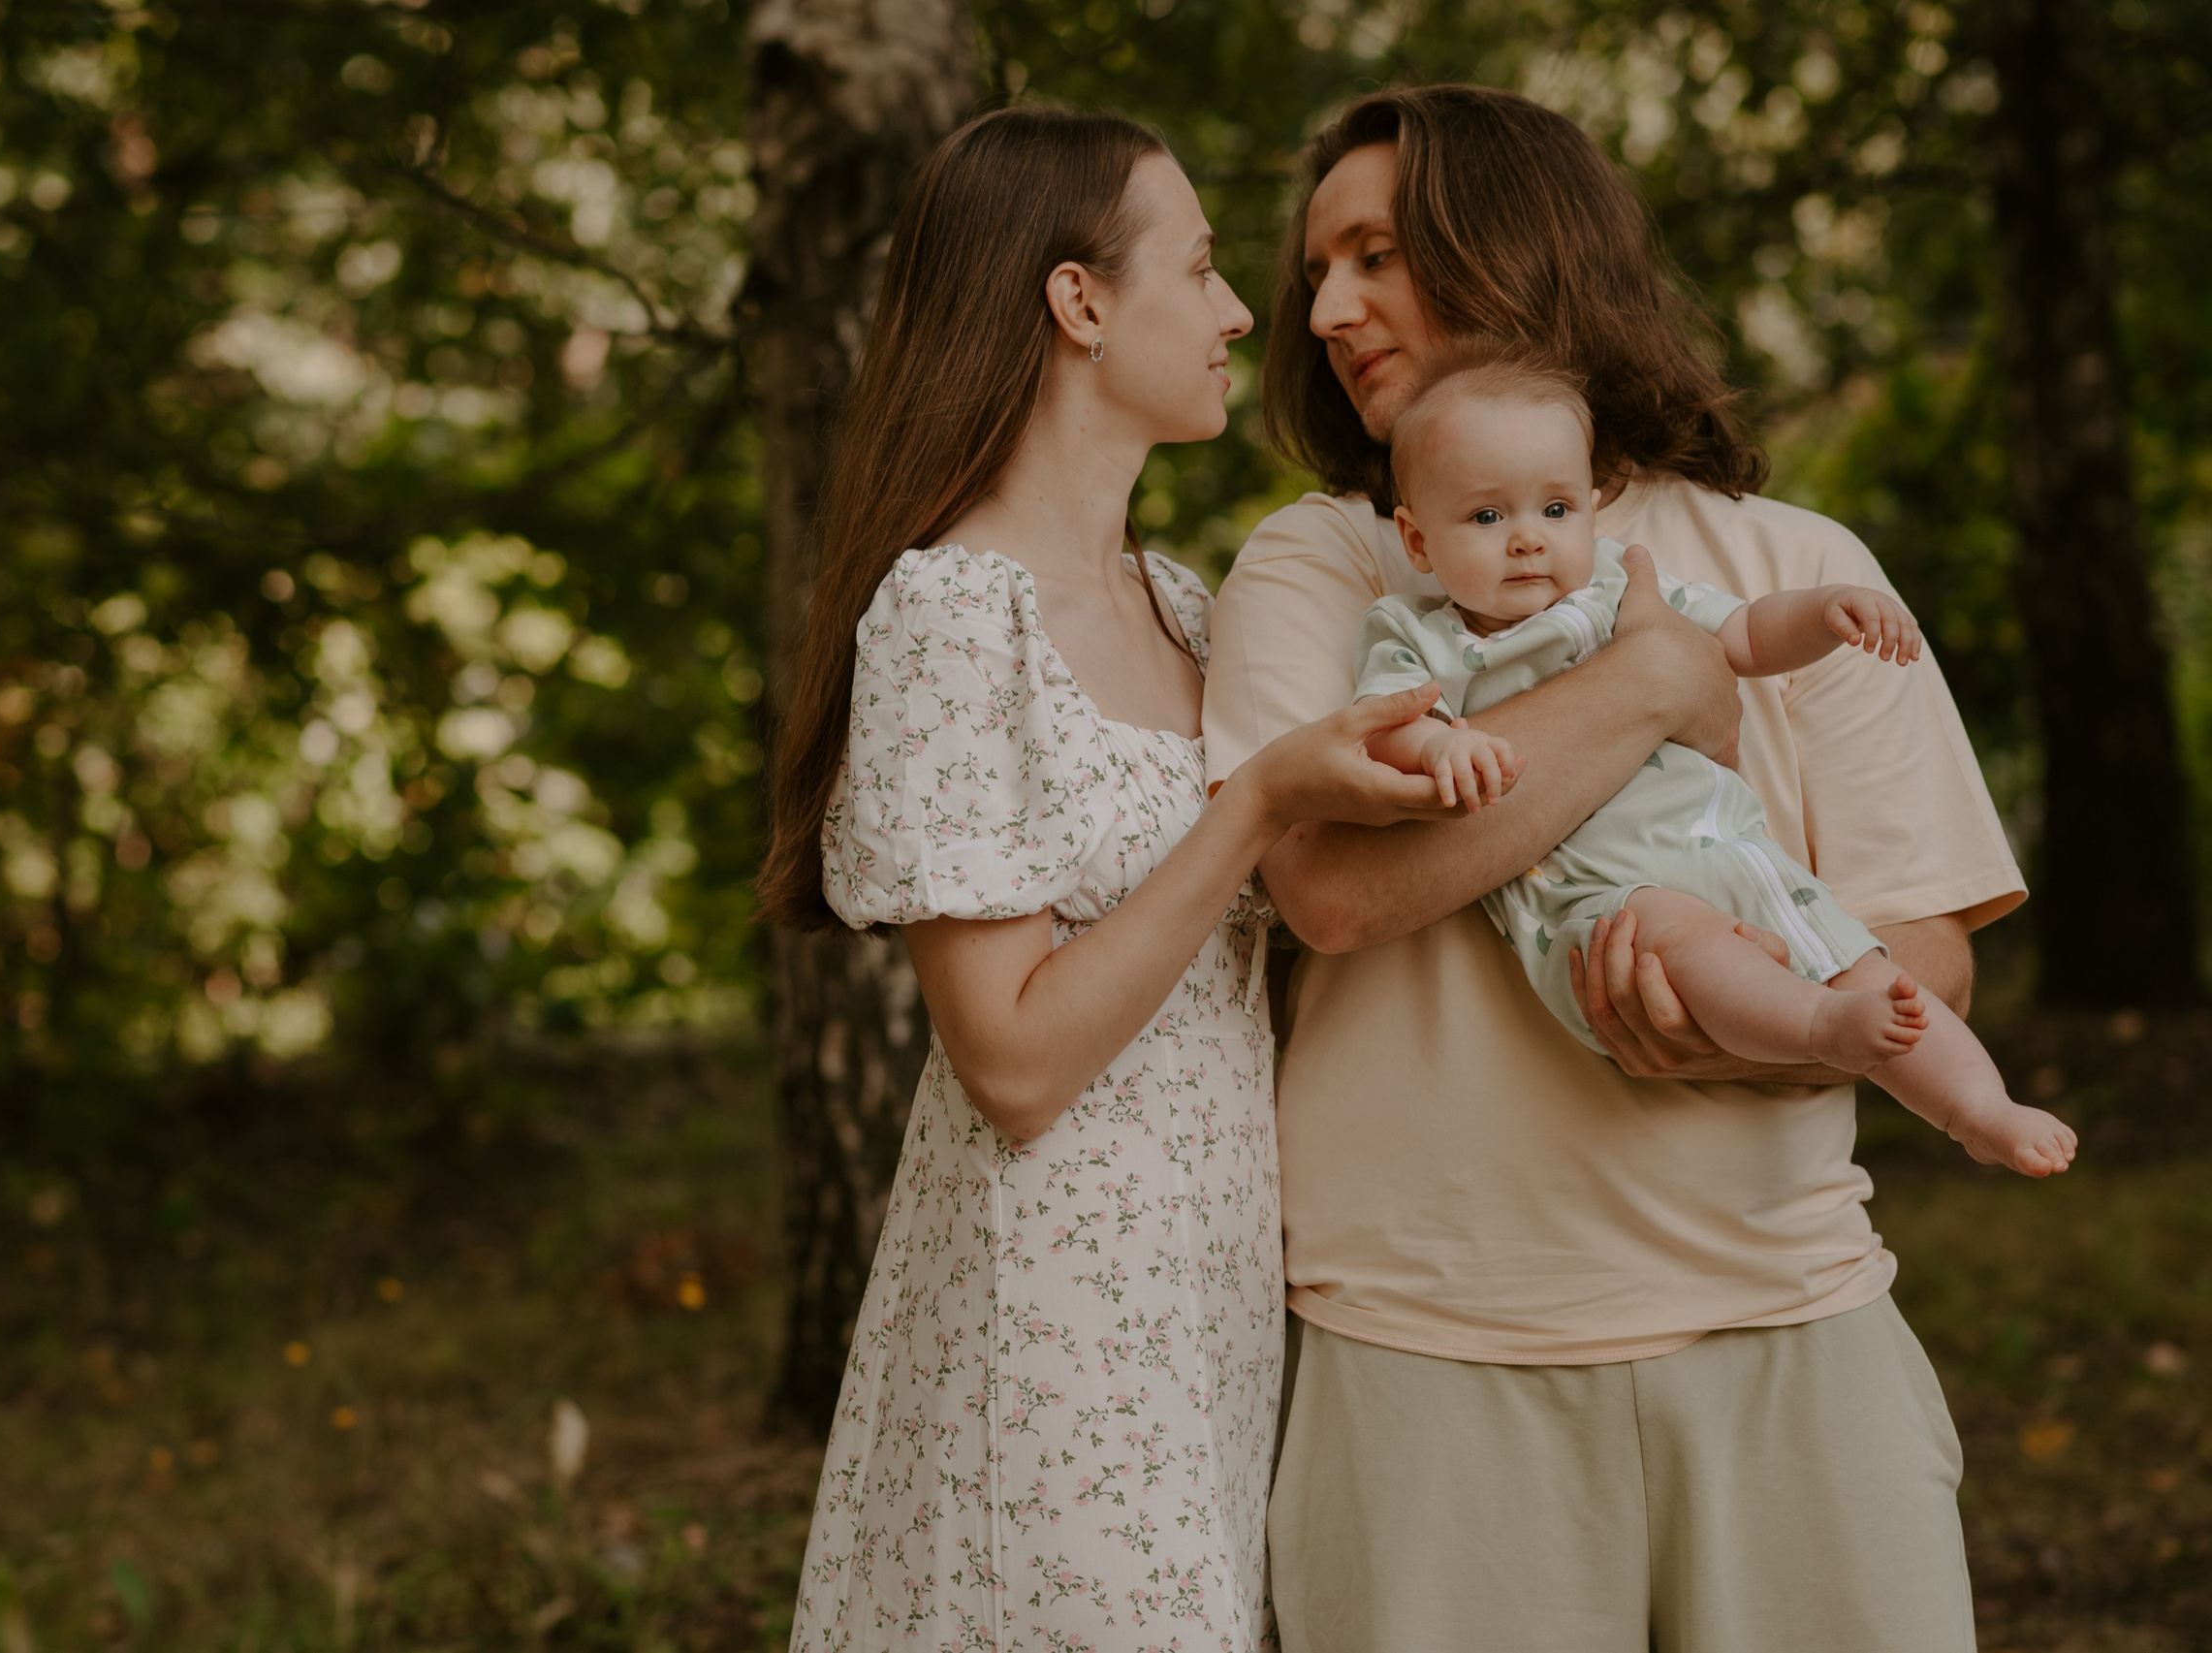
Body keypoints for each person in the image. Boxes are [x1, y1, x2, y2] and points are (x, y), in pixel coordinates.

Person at [1202, 84, 2025, 1650]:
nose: (1322, 310)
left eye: (1373, 254)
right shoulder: (1322, 564)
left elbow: (1929, 961)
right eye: (1318, 269)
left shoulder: (1804, 565)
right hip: (1429, 1348)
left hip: (1795, 1325)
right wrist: (1652, 687)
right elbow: (1331, 891)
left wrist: (1756, 1030)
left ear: (1516, 251)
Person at [759, 107, 1451, 1650]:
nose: (1232, 313)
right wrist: (1260, 795)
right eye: (1199, 268)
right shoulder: (948, 621)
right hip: (1051, 1316)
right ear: (1078, 304)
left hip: (1206, 1304)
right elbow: (1006, 1061)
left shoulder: (1186, 607)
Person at [1355, 350, 2076, 1178]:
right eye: (1485, 518)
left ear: (1591, 511)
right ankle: (1817, 1028)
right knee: (1689, 940)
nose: (1526, 539)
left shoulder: (1621, 591)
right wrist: (1440, 742)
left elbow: (1745, 635)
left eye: (1555, 508)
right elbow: (1384, 729)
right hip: (1600, 898)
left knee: (1865, 964)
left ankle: (1978, 1109)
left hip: (1733, 850)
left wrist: (1825, 612)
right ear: (1417, 536)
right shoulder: (1415, 634)